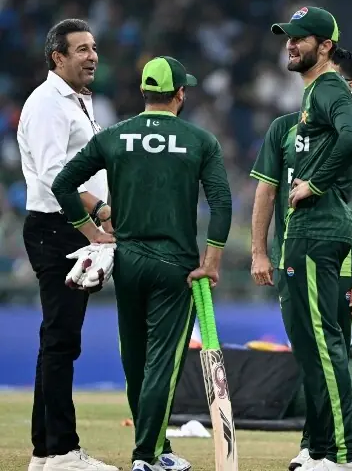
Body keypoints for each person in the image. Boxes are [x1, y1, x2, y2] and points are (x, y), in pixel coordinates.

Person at [51, 56, 232, 471]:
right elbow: (221, 202)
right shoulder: (201, 140)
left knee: (135, 361)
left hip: (128, 261)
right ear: (180, 94)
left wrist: (91, 232)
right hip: (175, 266)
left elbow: (62, 183)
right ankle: (147, 456)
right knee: (162, 364)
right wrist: (213, 261)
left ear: (145, 93)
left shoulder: (114, 136)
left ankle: (158, 448)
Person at [250, 47, 352, 471]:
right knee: (311, 354)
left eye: (345, 86)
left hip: (339, 262)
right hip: (297, 250)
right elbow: (265, 192)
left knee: (326, 353)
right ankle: (326, 441)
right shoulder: (282, 129)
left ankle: (346, 441)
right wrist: (260, 251)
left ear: (350, 89)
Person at [17, 18, 116, 471]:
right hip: (58, 228)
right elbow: (55, 176)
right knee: (60, 341)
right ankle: (58, 450)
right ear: (58, 57)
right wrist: (96, 219)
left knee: (60, 340)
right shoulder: (47, 105)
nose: (92, 55)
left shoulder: (75, 102)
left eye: (93, 47)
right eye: (81, 49)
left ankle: (46, 451)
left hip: (66, 227)